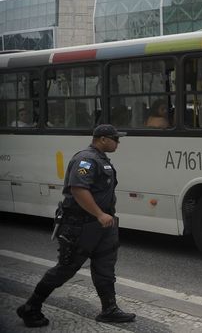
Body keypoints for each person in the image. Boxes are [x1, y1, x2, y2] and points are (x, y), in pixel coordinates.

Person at [16, 124, 136, 327]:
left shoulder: (100, 159)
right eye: (115, 139)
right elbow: (79, 189)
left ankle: (109, 309)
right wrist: (99, 214)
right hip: (81, 225)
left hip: (103, 226)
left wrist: (105, 217)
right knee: (66, 268)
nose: (118, 143)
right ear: (103, 139)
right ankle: (31, 307)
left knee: (105, 268)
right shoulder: (86, 159)